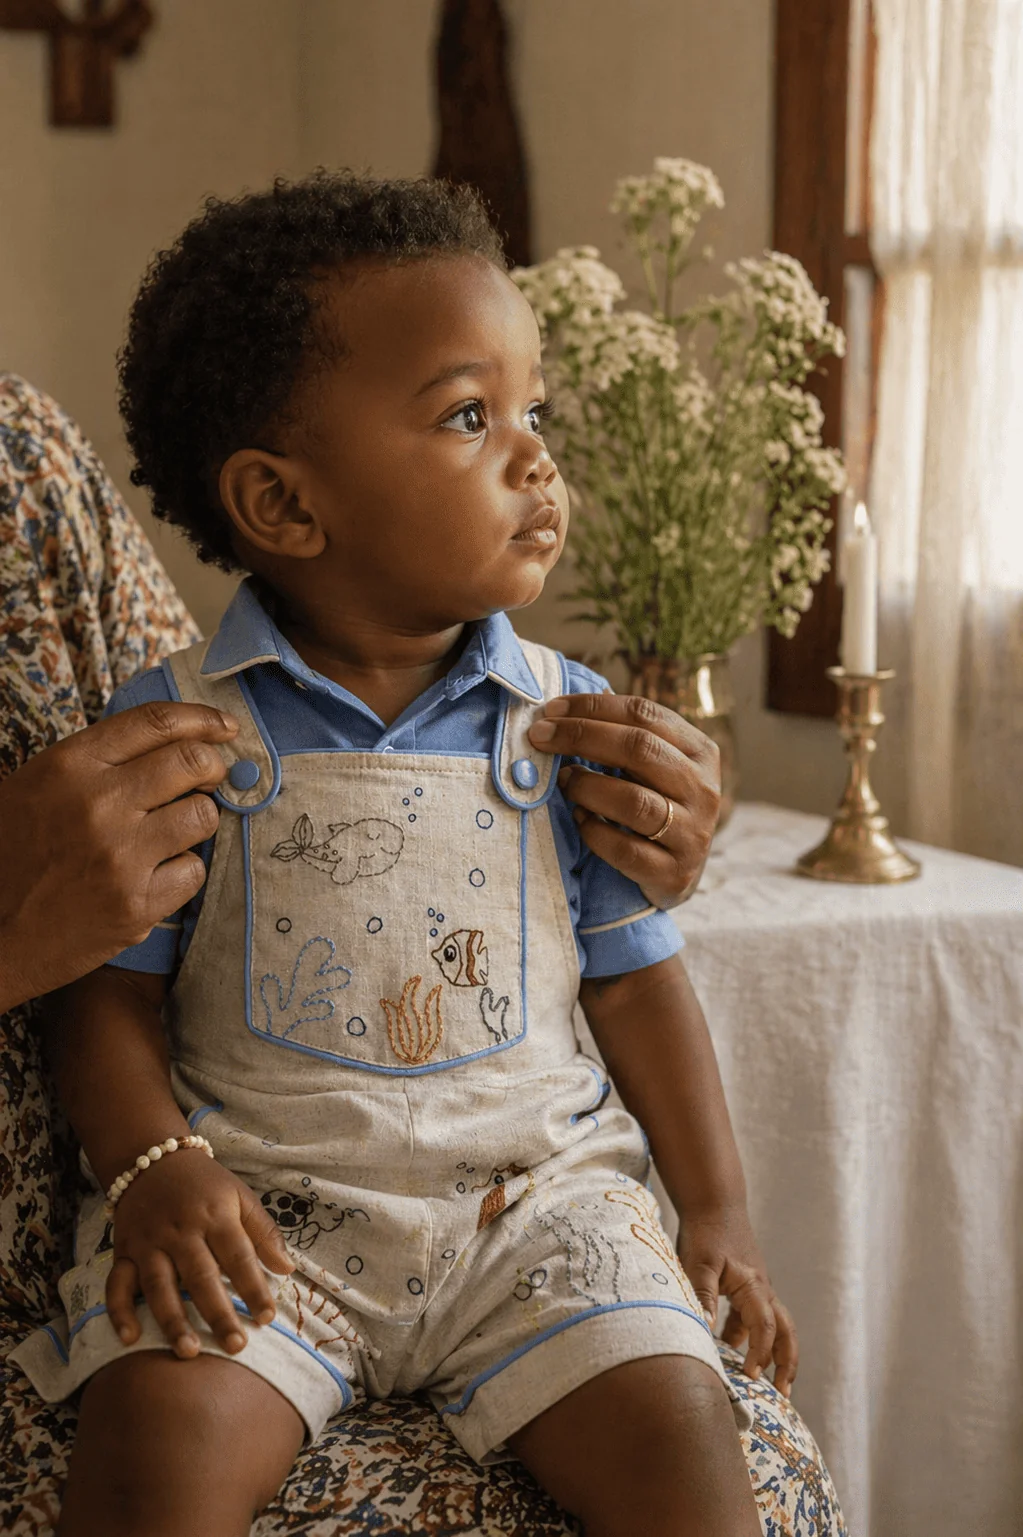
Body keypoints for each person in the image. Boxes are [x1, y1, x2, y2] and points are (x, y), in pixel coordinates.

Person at [11, 175, 796, 1537]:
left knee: (684, 1431)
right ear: (283, 503)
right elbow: (104, 991)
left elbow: (634, 977)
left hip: (538, 1219)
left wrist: (714, 1208)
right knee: (155, 1443)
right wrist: (154, 1171)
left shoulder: (570, 730)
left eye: (532, 411)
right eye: (466, 416)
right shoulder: (180, 731)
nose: (535, 457)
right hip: (265, 1216)